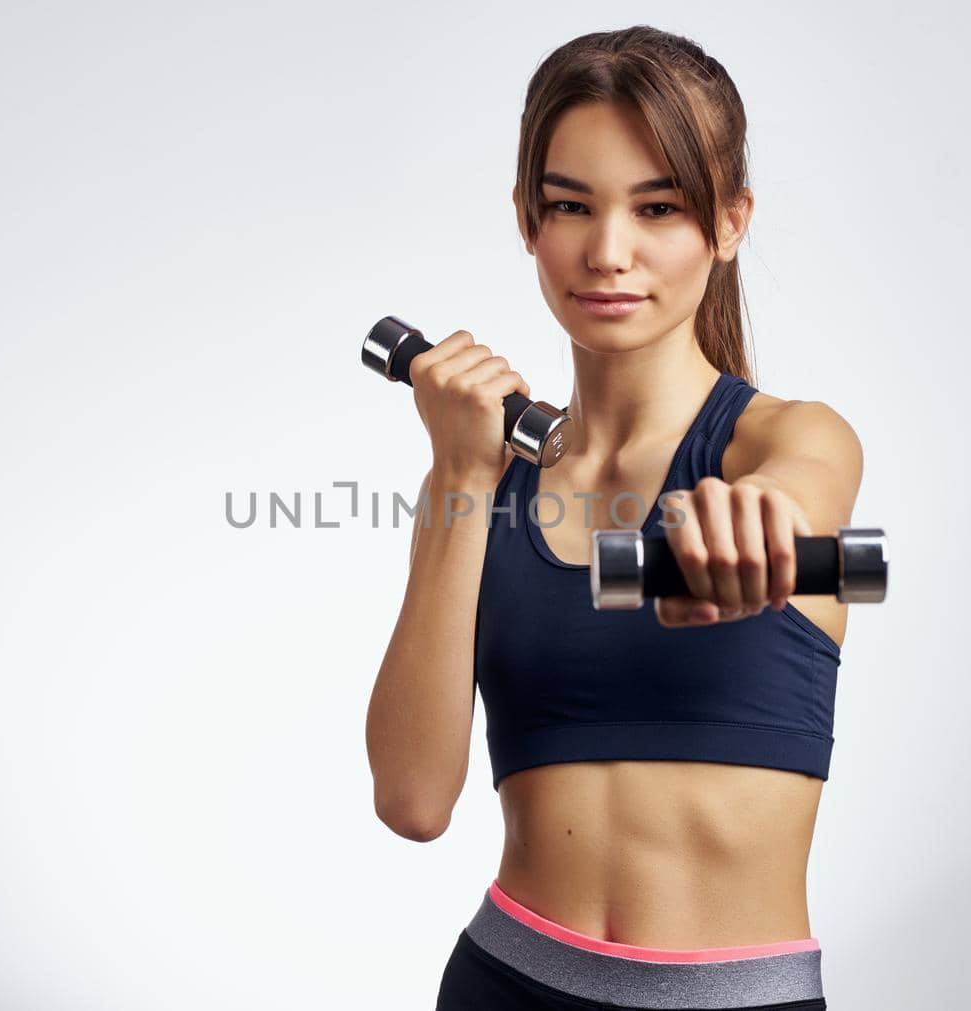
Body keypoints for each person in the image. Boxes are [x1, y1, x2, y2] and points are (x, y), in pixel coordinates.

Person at [365, 25, 864, 1010]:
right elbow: (413, 801)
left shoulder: (786, 441)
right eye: (570, 207)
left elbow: (798, 492)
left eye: (657, 207)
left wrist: (739, 531)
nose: (606, 251)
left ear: (728, 222)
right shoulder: (477, 487)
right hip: (505, 982)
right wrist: (458, 474)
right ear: (526, 219)